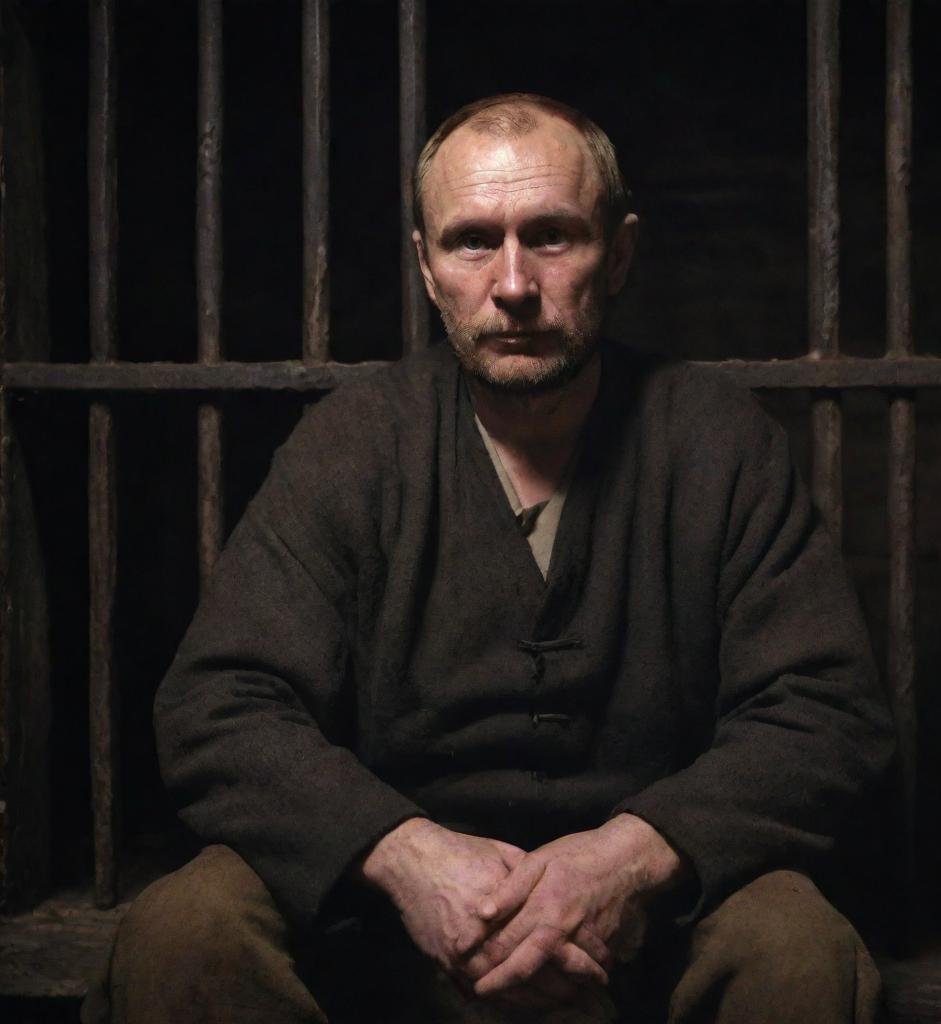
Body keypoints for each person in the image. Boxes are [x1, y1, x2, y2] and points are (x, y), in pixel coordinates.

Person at [85, 94, 893, 1024]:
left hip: (651, 932)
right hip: (388, 933)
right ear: (427, 268)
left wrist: (627, 861)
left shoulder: (715, 441)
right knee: (185, 929)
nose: (512, 283)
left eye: (551, 236)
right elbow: (216, 703)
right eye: (472, 241)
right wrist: (402, 854)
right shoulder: (354, 445)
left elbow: (829, 711)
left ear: (619, 253)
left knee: (796, 947)